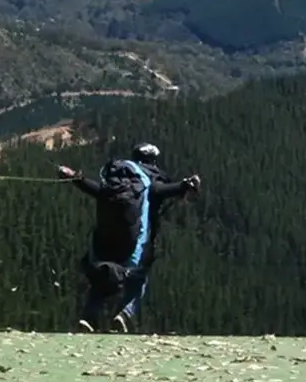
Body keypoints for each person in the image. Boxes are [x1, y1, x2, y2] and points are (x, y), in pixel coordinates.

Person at [56, 142, 199, 332]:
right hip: (132, 246)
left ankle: (88, 318)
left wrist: (74, 177)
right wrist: (187, 184)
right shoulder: (151, 184)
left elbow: (95, 189)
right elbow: (170, 189)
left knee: (102, 278)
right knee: (139, 279)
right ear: (153, 161)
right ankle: (124, 315)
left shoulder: (114, 181)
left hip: (103, 243)